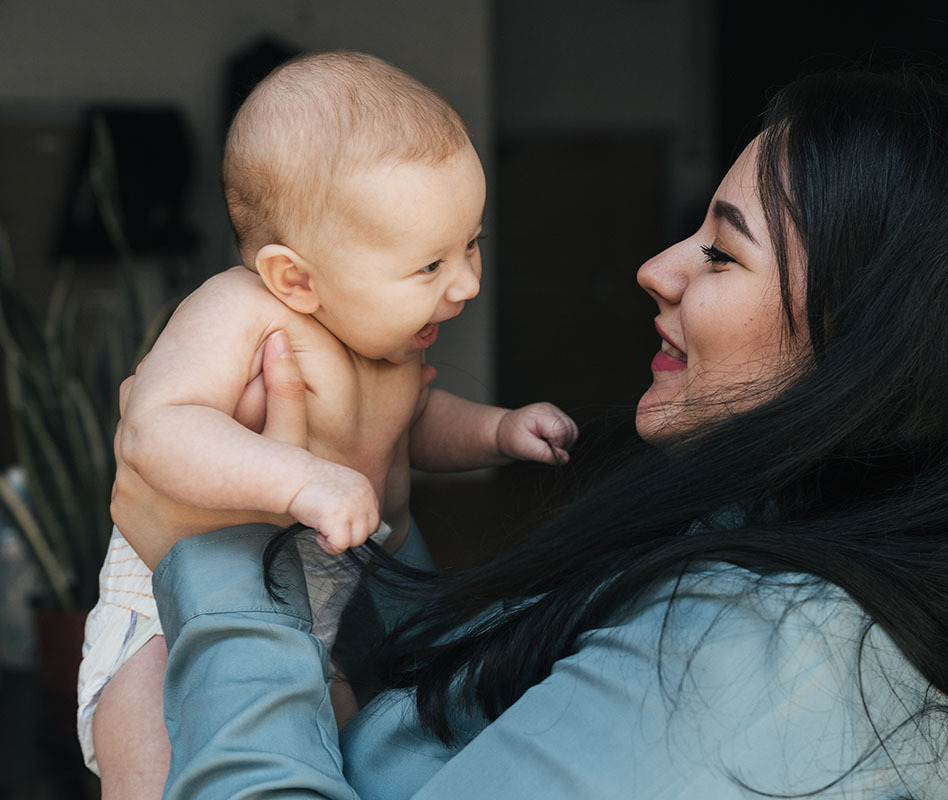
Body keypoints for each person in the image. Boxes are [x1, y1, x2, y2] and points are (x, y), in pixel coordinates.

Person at [111, 68, 948, 799]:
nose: (655, 268)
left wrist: (216, 558)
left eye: (721, 253)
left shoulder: (769, 661)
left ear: (879, 350)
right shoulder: (742, 529)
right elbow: (431, 710)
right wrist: (347, 499)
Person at [77, 51, 577, 797]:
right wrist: (302, 479)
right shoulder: (241, 311)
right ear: (296, 278)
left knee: (336, 757)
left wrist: (497, 431)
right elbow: (158, 429)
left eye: (471, 244)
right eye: (429, 266)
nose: (467, 283)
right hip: (165, 608)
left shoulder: (388, 351)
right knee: (153, 767)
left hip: (312, 621)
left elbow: (414, 422)